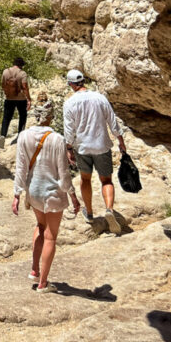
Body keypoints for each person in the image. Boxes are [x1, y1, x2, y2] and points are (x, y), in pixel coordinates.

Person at [12, 98, 80, 293]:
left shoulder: (24, 136)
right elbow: (63, 172)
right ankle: (43, 282)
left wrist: (17, 194)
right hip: (52, 193)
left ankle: (34, 269)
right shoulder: (57, 139)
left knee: (40, 226)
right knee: (50, 236)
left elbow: (20, 167)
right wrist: (73, 195)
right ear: (50, 117)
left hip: (33, 191)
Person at [63, 69, 126, 234]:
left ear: (71, 84)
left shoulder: (69, 103)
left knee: (85, 179)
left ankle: (89, 213)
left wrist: (69, 148)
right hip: (101, 146)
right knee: (106, 180)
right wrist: (120, 141)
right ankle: (109, 210)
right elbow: (112, 121)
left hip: (82, 147)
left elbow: (69, 130)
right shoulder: (100, 98)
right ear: (83, 81)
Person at [0, 56, 32, 149]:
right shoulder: (22, 73)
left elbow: (3, 84)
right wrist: (29, 99)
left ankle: (3, 135)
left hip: (9, 98)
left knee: (6, 117)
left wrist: (7, 93)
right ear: (21, 65)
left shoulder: (5, 71)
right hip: (21, 99)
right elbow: (25, 86)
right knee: (23, 116)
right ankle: (20, 135)